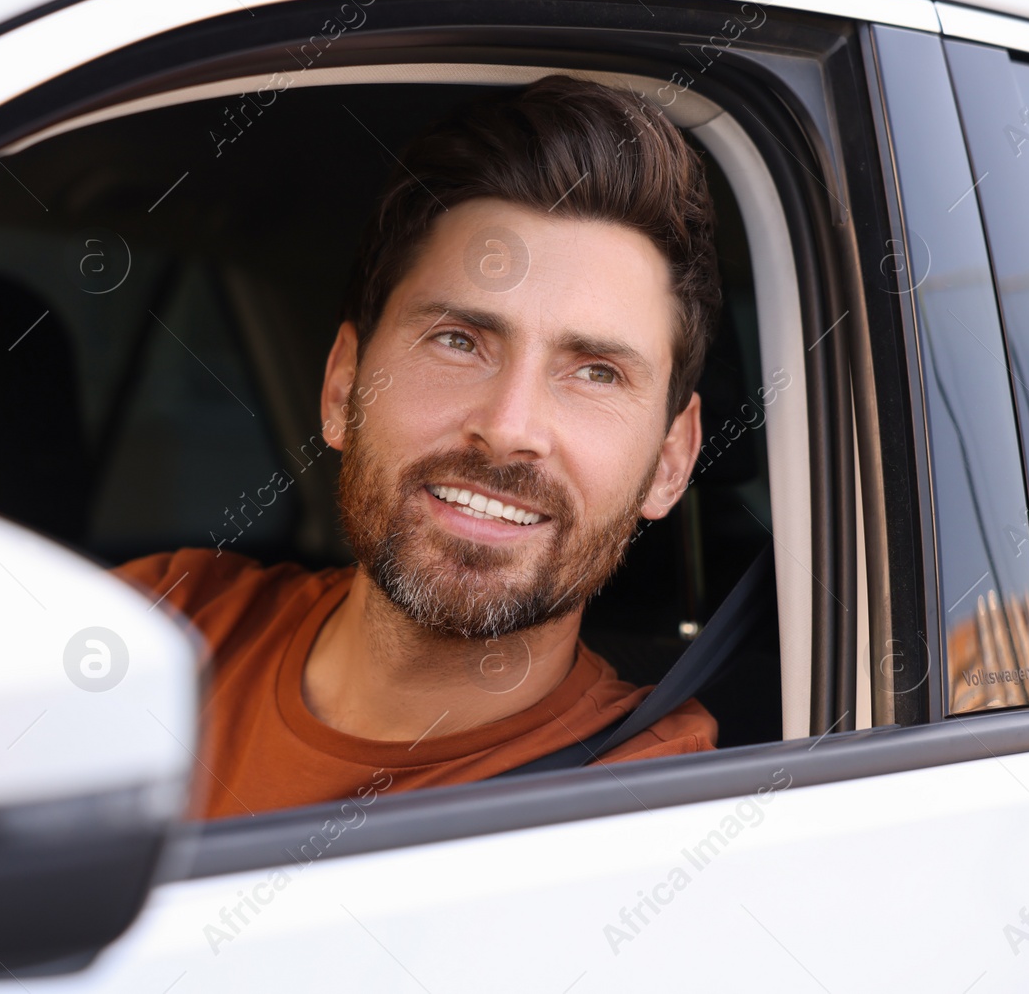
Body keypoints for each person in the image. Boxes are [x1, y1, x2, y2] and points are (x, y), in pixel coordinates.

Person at [115, 73, 722, 820]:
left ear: (670, 464)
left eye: (595, 372)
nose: (508, 426)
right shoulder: (165, 626)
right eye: (459, 341)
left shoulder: (651, 803)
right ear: (343, 388)